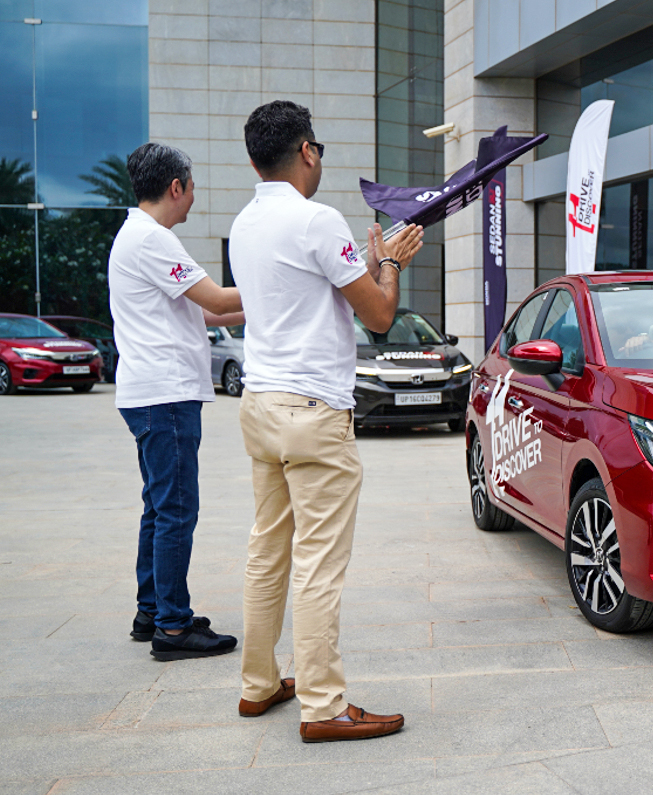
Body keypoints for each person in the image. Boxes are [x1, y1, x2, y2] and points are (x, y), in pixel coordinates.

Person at [229, 100, 424, 743]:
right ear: (307, 150)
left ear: (256, 161)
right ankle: (323, 705)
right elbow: (379, 315)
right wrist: (390, 264)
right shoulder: (317, 219)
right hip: (312, 412)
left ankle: (259, 684)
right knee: (318, 562)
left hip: (261, 404)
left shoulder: (245, 223)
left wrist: (368, 263)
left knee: (268, 551)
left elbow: (316, 290)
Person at [109, 142, 244, 661]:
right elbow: (216, 298)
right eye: (192, 187)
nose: (193, 196)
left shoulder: (138, 236)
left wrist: (267, 305)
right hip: (164, 395)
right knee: (176, 510)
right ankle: (172, 626)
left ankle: (153, 610)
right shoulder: (152, 239)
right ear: (175, 187)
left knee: (159, 506)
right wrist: (292, 283)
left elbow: (206, 313)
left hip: (150, 394)